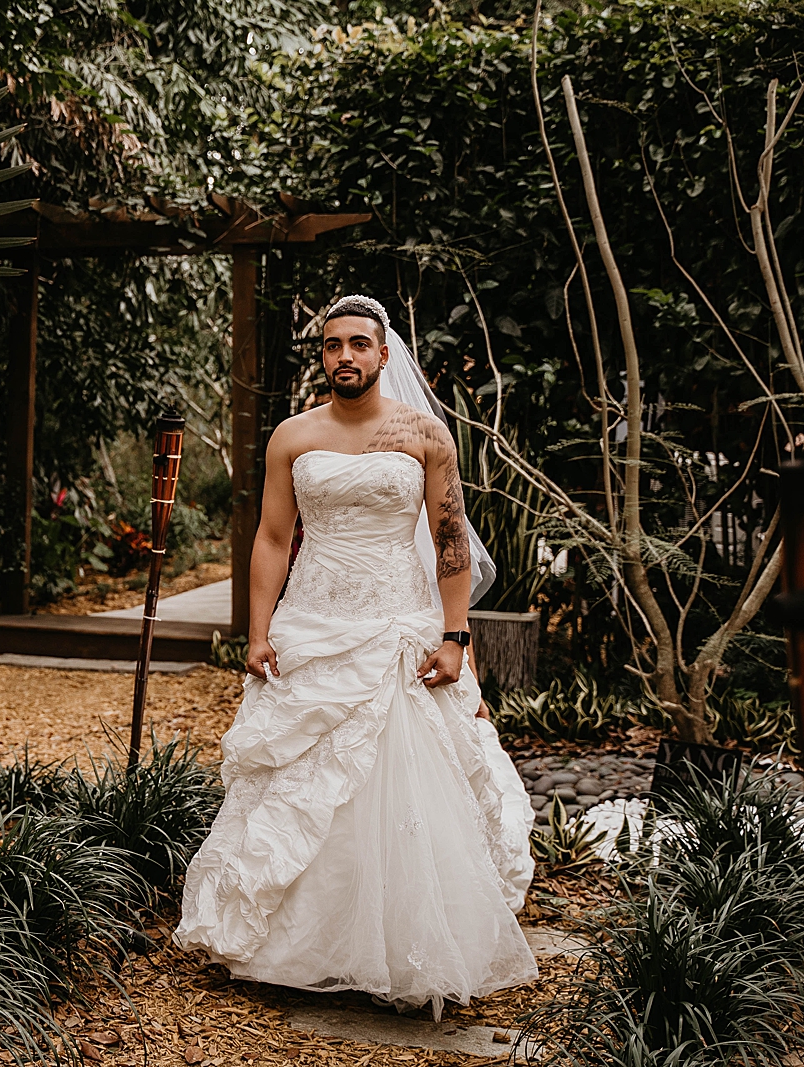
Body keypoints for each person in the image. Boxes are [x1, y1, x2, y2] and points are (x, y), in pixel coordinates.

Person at [174, 294, 537, 1019]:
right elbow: (274, 537)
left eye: (358, 344)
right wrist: (258, 630)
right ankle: (301, 949)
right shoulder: (292, 435)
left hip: (399, 626)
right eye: (332, 345)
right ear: (323, 357)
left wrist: (455, 638)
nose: (345, 355)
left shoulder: (425, 435)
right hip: (313, 622)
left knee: (406, 784)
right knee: (302, 785)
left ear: (383, 353)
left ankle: (412, 949)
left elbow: (451, 543)